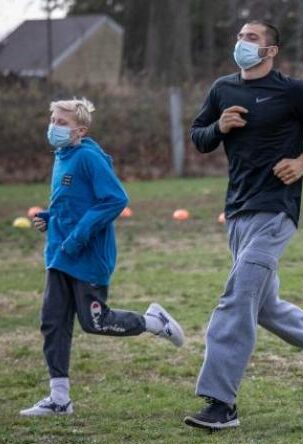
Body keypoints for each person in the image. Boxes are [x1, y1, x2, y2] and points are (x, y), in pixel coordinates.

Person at [185, 20, 303, 430]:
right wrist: (218, 127)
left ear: (271, 50)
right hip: (237, 211)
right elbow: (198, 137)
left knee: (238, 298)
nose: (242, 43)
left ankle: (221, 403)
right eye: (240, 36)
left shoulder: (294, 91)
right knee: (264, 306)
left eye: (252, 38)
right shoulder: (223, 89)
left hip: (277, 209)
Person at [19, 98, 184, 417]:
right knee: (53, 322)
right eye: (52, 119)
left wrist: (78, 236)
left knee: (96, 322)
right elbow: (74, 202)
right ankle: (59, 399)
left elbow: (114, 200)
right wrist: (51, 217)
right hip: (59, 255)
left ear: (80, 130)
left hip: (87, 257)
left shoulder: (88, 158)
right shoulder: (62, 155)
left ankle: (153, 322)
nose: (53, 126)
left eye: (62, 122)